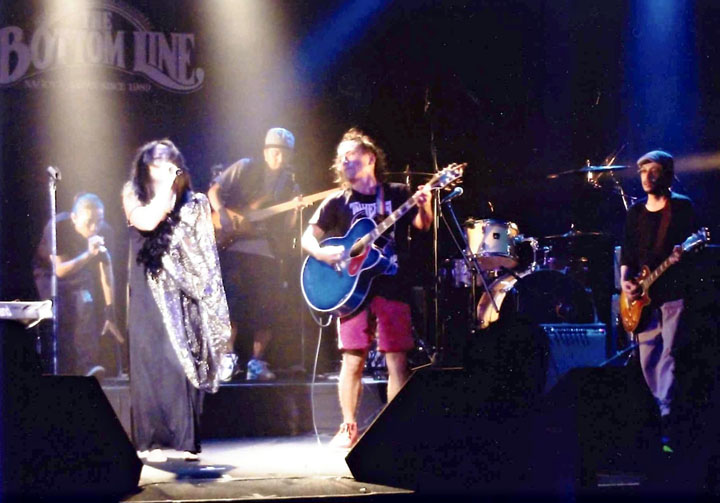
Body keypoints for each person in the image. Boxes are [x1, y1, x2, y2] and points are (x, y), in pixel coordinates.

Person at [301, 128, 432, 448]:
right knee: (352, 360)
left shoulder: (397, 193)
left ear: (370, 158)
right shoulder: (337, 201)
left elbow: (423, 225)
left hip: (393, 285)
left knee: (397, 360)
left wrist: (425, 205)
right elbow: (308, 238)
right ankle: (348, 427)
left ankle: (396, 426)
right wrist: (321, 253)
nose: (344, 161)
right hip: (351, 291)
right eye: (341, 157)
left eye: (351, 155)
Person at [122, 139, 230, 463]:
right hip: (147, 287)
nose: (164, 168)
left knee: (182, 359)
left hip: (182, 289)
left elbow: (202, 249)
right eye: (156, 162)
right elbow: (147, 221)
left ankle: (186, 440)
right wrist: (165, 194)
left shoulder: (192, 203)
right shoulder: (132, 193)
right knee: (149, 360)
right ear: (145, 167)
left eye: (170, 163)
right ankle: (148, 440)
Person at [620, 150, 697, 453]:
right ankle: (659, 412)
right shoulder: (635, 213)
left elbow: (695, 246)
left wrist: (680, 256)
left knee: (670, 356)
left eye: (653, 171)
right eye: (642, 172)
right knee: (647, 358)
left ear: (667, 174)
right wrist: (625, 283)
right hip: (642, 296)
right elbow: (627, 253)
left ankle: (669, 419)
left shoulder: (682, 207)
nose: (646, 177)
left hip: (673, 293)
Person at [208, 127, 299, 381]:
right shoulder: (245, 167)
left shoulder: (290, 185)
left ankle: (256, 363)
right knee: (232, 303)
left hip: (266, 251)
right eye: (276, 152)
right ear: (266, 151)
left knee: (267, 307)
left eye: (285, 153)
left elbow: (288, 228)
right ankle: (227, 358)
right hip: (235, 247)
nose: (280, 158)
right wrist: (223, 216)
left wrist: (295, 210)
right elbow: (213, 191)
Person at [33, 193, 122, 376]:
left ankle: (87, 366)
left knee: (85, 301)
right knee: (60, 311)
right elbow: (60, 270)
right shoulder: (58, 227)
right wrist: (89, 254)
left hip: (80, 270)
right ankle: (59, 368)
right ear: (74, 218)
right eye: (89, 222)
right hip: (49, 273)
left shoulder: (104, 231)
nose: (94, 227)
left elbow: (106, 272)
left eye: (99, 221)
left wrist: (109, 311)